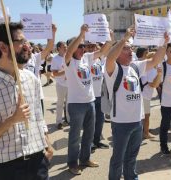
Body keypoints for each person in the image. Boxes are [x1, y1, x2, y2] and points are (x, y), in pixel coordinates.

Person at [0, 22, 53, 180]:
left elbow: (38, 117)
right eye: (21, 42)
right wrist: (12, 120)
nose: (27, 46)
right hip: (5, 169)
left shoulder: (31, 79)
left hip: (38, 163)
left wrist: (47, 144)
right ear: (3, 47)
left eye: (27, 42)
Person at [105, 26, 168, 180]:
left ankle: (131, 177)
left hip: (136, 121)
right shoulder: (112, 69)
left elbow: (155, 60)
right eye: (126, 49)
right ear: (118, 52)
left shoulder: (135, 66)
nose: (130, 51)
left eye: (131, 48)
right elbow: (109, 57)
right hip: (121, 122)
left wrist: (164, 43)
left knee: (132, 156)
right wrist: (124, 39)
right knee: (118, 158)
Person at [64, 24, 112, 175]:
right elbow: (70, 51)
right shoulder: (69, 61)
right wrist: (81, 34)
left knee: (89, 134)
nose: (82, 49)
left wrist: (109, 37)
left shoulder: (87, 57)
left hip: (90, 101)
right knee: (74, 136)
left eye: (83, 47)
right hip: (76, 104)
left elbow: (104, 50)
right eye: (79, 46)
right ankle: (72, 163)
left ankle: (85, 159)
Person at [136, 47, 162, 139]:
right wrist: (159, 75)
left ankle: (141, 133)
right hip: (145, 96)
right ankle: (146, 133)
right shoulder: (151, 70)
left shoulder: (147, 68)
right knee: (146, 116)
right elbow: (153, 84)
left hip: (143, 94)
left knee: (141, 115)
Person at [51, 41, 69, 129]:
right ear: (58, 49)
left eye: (66, 46)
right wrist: (66, 71)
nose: (66, 48)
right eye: (64, 47)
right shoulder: (55, 59)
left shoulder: (69, 57)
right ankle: (58, 122)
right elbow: (54, 73)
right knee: (60, 104)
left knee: (69, 104)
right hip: (61, 85)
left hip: (70, 85)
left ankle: (69, 121)